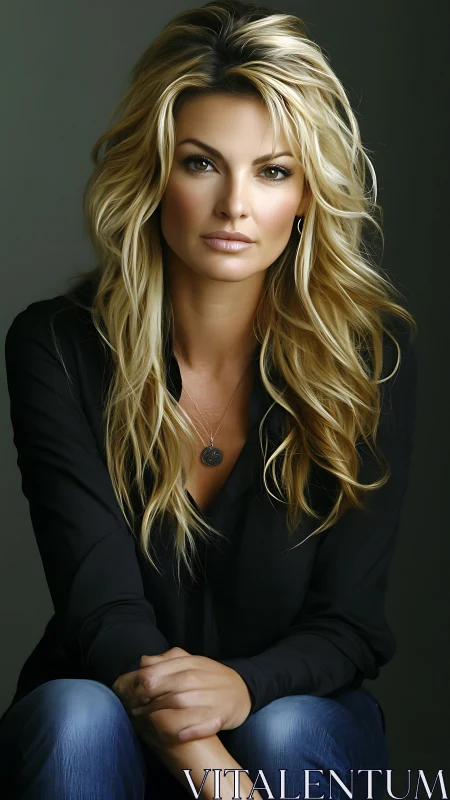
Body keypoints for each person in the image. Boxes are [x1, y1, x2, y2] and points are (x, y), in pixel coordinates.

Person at [0, 1, 418, 798]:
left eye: (272, 171)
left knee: (285, 726)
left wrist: (244, 688)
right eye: (201, 164)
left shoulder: (369, 360)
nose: (235, 205)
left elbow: (350, 627)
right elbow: (102, 613)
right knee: (74, 717)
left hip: (292, 723)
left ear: (307, 194)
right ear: (154, 172)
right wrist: (218, 777)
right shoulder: (56, 347)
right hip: (108, 722)